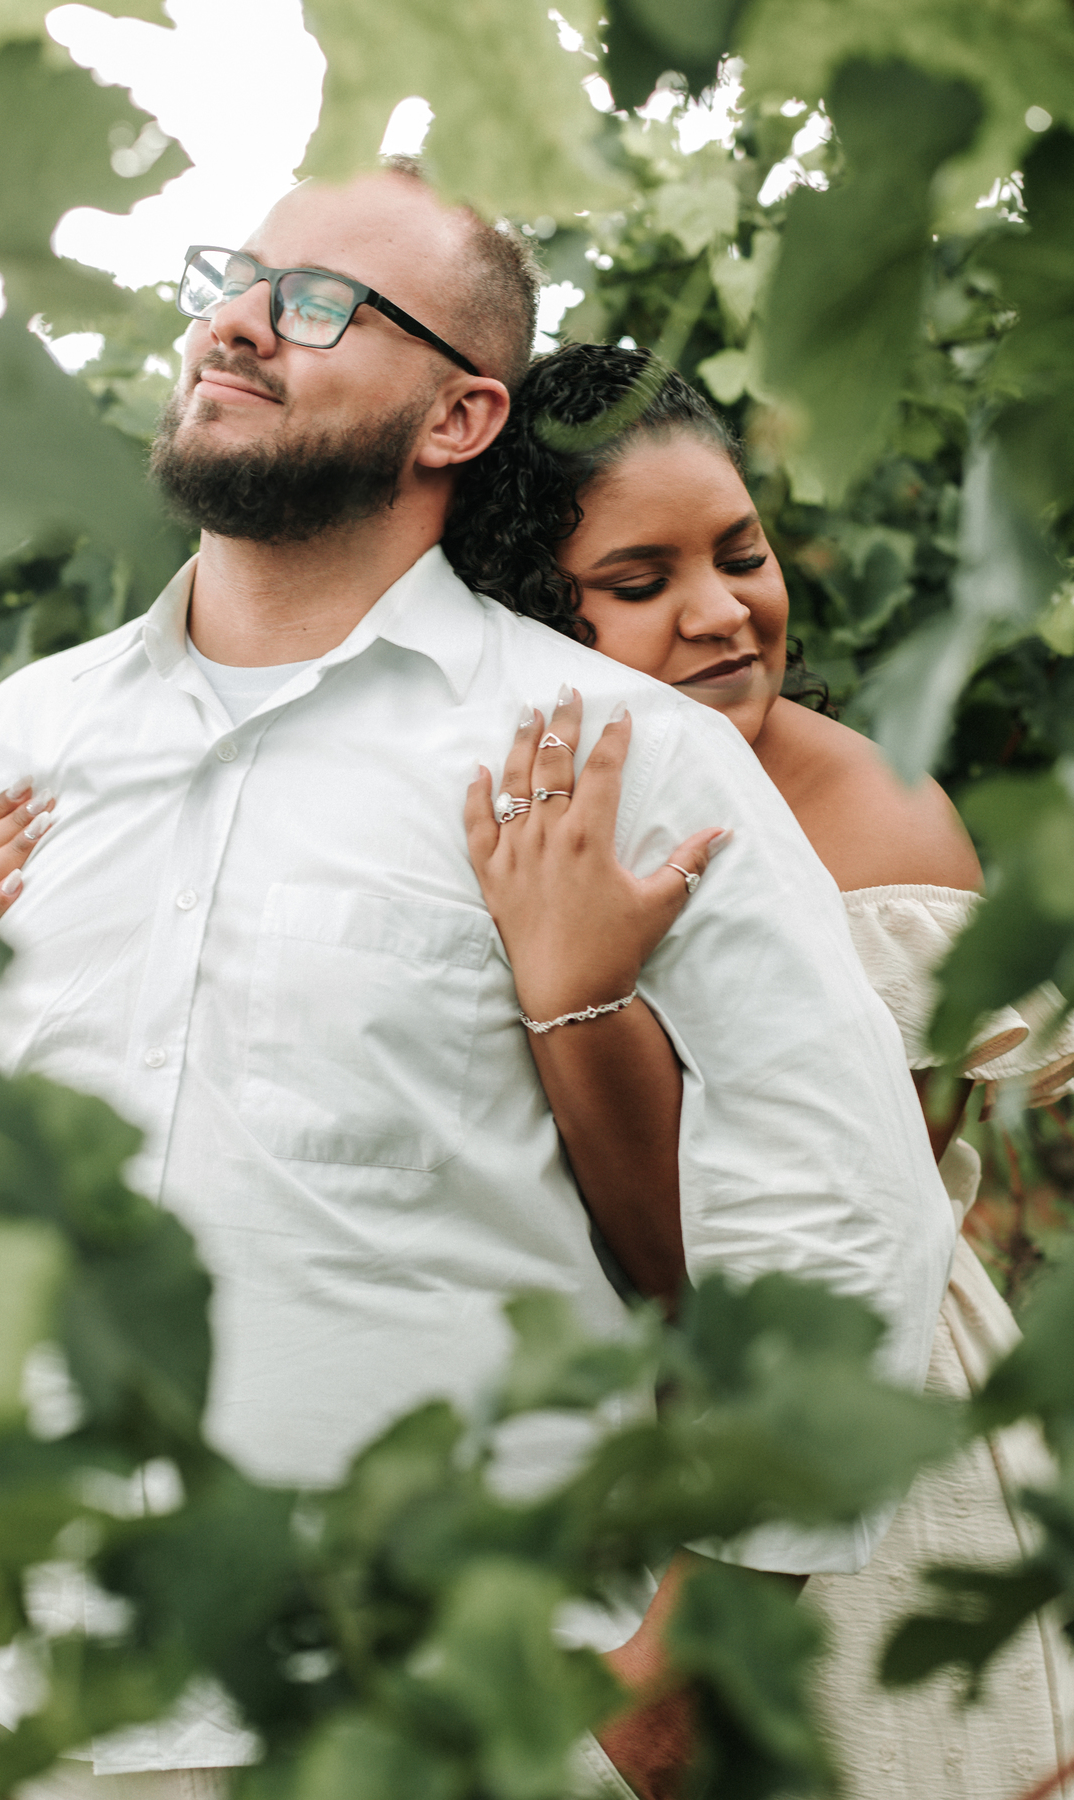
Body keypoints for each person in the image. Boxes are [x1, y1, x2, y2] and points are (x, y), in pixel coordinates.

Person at [0, 169, 955, 1798]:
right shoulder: (24, 743)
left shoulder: (617, 758)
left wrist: (660, 1692)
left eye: (314, 304)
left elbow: (841, 1221)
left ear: (459, 415)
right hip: (28, 1720)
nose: (236, 323)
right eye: (235, 280)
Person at [444, 340, 1074, 1799]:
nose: (726, 612)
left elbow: (717, 1266)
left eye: (743, 553)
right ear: (530, 613)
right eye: (643, 580)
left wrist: (576, 998)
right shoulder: (523, 791)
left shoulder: (868, 821)